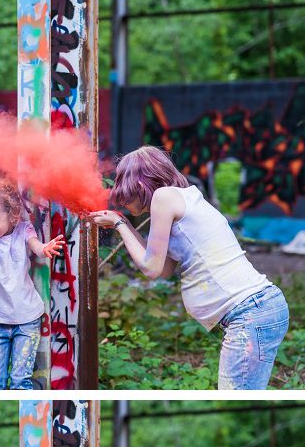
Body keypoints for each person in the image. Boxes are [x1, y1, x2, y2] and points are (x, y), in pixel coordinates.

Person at [88, 145, 289, 390]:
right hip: (255, 310)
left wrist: (119, 223)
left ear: (139, 186)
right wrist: (125, 224)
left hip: (250, 313)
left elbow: (150, 268)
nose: (124, 203)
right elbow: (162, 269)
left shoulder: (164, 197)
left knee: (235, 395)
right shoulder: (183, 200)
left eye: (125, 194)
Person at [0, 179, 64, 389]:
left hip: (27, 320)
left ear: (12, 215)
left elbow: (36, 246)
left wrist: (45, 248)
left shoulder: (23, 230)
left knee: (19, 381)